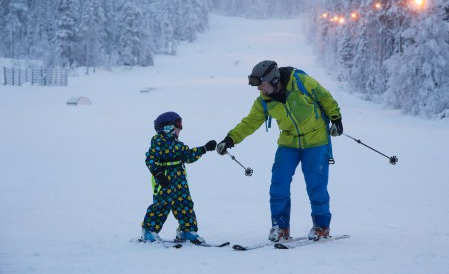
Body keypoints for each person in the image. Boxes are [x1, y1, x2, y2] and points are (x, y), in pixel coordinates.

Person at [216, 60, 343, 242]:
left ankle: (321, 226)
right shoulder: (264, 102)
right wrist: (230, 139)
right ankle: (280, 227)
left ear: (274, 80)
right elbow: (249, 123)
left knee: (316, 186)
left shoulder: (300, 81)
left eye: (262, 85)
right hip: (289, 143)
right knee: (278, 184)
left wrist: (336, 119)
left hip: (316, 141)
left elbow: (325, 97)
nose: (260, 89)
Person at [141, 111, 217, 244]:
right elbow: (150, 159)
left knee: (185, 204)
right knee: (161, 205)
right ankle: (149, 231)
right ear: (167, 127)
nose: (180, 129)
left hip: (180, 181)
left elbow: (188, 156)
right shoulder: (158, 142)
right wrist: (158, 174)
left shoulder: (177, 144)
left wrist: (204, 148)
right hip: (165, 181)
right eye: (178, 125)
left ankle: (187, 231)